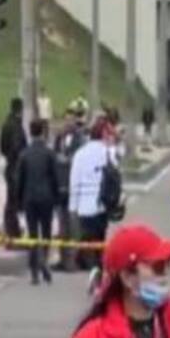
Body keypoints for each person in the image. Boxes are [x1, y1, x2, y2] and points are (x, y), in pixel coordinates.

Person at [69, 117, 118, 276]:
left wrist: (73, 206)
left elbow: (74, 181)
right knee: (100, 239)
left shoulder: (80, 154)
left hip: (84, 204)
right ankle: (98, 268)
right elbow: (115, 176)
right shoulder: (107, 152)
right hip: (101, 204)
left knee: (88, 239)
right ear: (103, 133)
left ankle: (93, 268)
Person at [16, 118, 61, 285]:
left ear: (30, 132)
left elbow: (19, 180)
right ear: (42, 132)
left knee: (33, 234)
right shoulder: (49, 153)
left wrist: (19, 201)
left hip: (29, 198)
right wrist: (57, 197)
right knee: (46, 232)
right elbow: (55, 178)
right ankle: (43, 261)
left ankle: (35, 271)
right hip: (46, 198)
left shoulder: (24, 154)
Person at [54, 100, 90, 272]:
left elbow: (79, 159)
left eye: (70, 120)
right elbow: (54, 157)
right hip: (60, 188)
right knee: (62, 227)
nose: (67, 123)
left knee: (75, 226)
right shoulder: (59, 137)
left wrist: (66, 159)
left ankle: (74, 260)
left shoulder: (81, 138)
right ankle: (63, 259)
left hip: (74, 189)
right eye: (65, 119)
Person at [0, 97, 27, 239]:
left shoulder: (6, 124)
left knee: (11, 199)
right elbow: (18, 147)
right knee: (14, 201)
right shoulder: (16, 126)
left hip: (9, 165)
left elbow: (2, 148)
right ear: (20, 109)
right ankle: (12, 230)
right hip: (16, 167)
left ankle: (11, 228)